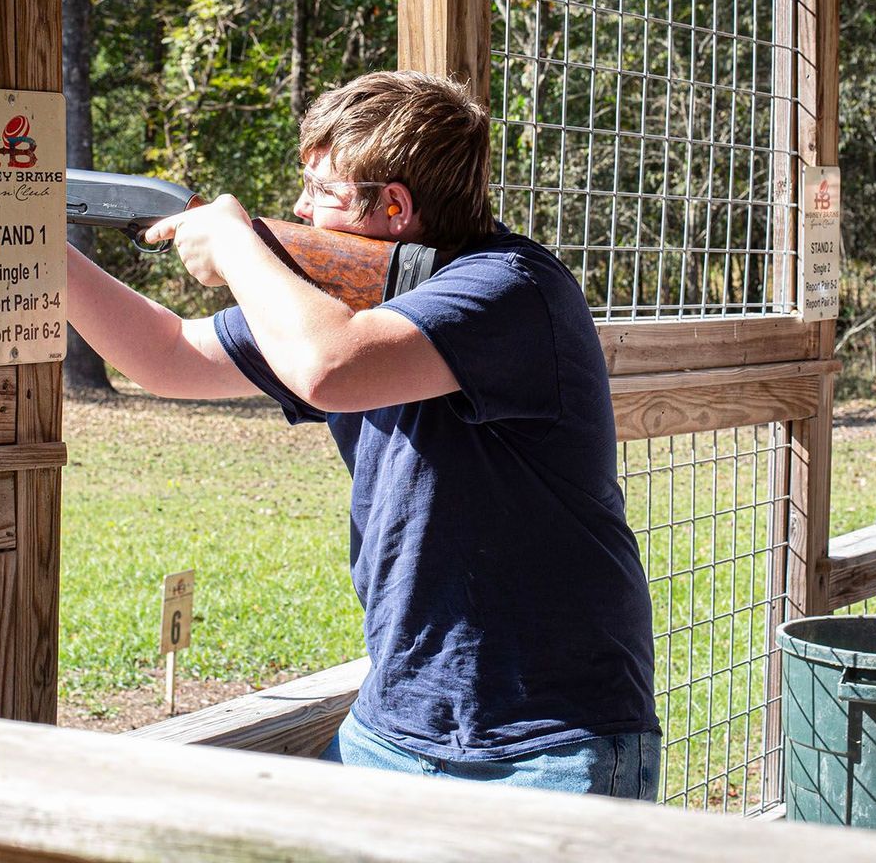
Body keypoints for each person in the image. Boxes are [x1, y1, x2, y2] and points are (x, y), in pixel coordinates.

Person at [65, 70, 660, 799]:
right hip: (398, 722)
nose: (297, 208)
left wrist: (235, 242)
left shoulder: (511, 288)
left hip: (548, 743)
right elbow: (166, 355)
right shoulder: (348, 307)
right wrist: (31, 241)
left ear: (396, 207)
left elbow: (329, 366)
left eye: (323, 192)